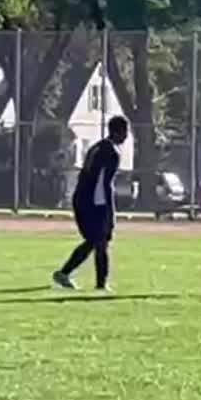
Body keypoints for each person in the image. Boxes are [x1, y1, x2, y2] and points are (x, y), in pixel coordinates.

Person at [54, 115, 130, 292]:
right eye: (125, 132)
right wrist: (110, 212)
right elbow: (105, 184)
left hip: (81, 197)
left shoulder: (97, 146)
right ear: (118, 132)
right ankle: (100, 285)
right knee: (100, 240)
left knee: (94, 241)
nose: (126, 136)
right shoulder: (112, 152)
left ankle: (64, 274)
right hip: (94, 201)